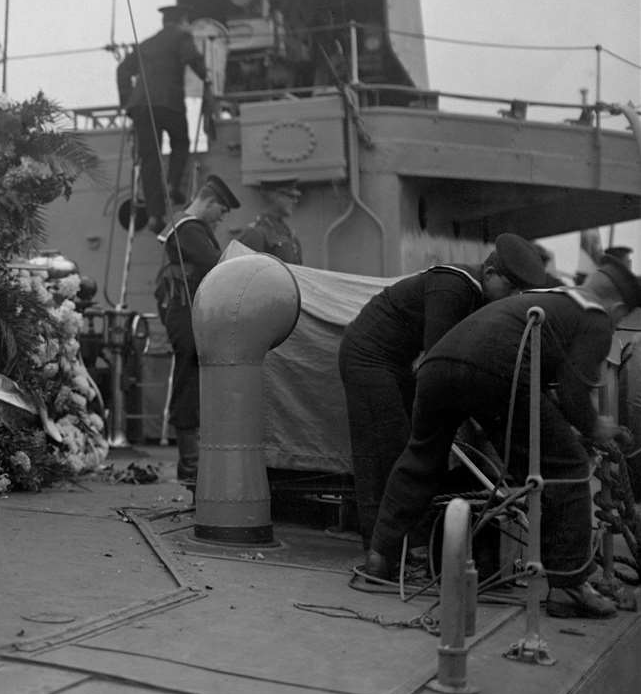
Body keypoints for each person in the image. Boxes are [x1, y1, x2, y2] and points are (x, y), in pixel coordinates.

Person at [366, 254, 641, 618]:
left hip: (437, 366)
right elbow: (575, 392)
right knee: (568, 462)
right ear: (619, 306)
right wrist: (595, 428)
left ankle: (379, 555)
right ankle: (569, 586)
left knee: (422, 457)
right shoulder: (595, 318)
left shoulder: (546, 298)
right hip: (497, 370)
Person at [337, 234, 549, 549]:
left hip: (400, 364)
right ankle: (381, 550)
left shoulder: (480, 297)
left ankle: (410, 544)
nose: (514, 298)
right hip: (368, 357)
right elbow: (437, 363)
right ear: (489, 274)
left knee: (411, 448)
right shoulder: (453, 286)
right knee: (386, 449)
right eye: (512, 288)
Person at [154, 174, 240, 488]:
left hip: (190, 314)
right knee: (189, 383)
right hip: (187, 316)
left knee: (194, 381)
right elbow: (215, 262)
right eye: (221, 210)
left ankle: (193, 462)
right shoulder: (188, 230)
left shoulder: (191, 229)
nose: (221, 218)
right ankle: (189, 465)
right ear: (208, 201)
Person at [116, 4, 209, 234]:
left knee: (150, 157)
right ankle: (172, 184)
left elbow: (122, 70)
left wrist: (127, 101)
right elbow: (191, 58)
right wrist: (207, 78)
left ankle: (155, 214)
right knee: (181, 142)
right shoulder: (182, 36)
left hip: (142, 106)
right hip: (169, 102)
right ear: (183, 21)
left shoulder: (146, 43)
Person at [237, 178, 303, 264]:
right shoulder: (255, 233)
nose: (295, 201)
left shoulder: (288, 233)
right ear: (274, 196)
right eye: (290, 196)